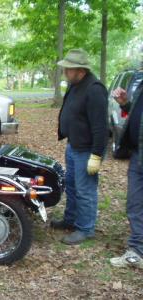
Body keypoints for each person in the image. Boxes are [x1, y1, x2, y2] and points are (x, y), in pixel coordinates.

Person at [51, 49, 109, 245]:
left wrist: (96, 155)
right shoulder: (75, 84)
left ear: (81, 71)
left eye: (69, 69)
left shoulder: (94, 89)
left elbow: (101, 127)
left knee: (85, 190)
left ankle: (85, 229)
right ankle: (70, 220)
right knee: (72, 186)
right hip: (73, 145)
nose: (65, 72)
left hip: (87, 150)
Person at [110, 79, 143, 269]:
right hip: (138, 154)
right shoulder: (141, 85)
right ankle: (137, 251)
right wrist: (125, 103)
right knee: (134, 204)